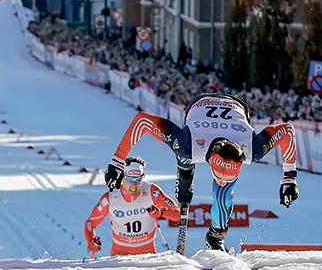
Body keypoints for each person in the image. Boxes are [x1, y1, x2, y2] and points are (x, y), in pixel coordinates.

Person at [105, 92, 299, 252]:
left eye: (229, 176)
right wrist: (117, 162)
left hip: (235, 108)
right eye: (221, 176)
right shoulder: (187, 143)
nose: (222, 180)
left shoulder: (251, 148)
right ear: (211, 161)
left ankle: (215, 237)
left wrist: (290, 178)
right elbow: (143, 120)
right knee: (184, 158)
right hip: (199, 110)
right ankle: (184, 179)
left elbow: (288, 130)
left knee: (223, 195)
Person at [85, 157, 180, 256]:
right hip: (120, 252)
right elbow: (91, 223)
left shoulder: (151, 191)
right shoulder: (111, 197)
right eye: (130, 179)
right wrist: (91, 240)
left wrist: (161, 212)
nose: (134, 185)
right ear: (122, 177)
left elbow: (179, 214)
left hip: (147, 252)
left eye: (138, 180)